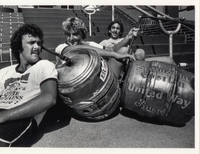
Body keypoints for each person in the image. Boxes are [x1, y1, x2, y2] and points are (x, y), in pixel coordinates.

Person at [0, 24, 58, 147]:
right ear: (19, 46)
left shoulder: (44, 66)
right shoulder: (4, 72)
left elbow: (49, 98)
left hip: (22, 118)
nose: (37, 47)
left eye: (39, 43)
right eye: (31, 43)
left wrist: (4, 116)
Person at [55, 17, 142, 78]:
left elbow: (111, 49)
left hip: (97, 82)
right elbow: (75, 50)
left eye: (75, 34)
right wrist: (114, 55)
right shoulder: (61, 48)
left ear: (82, 33)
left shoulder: (89, 44)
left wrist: (127, 38)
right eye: (67, 35)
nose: (71, 38)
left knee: (125, 50)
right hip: (75, 88)